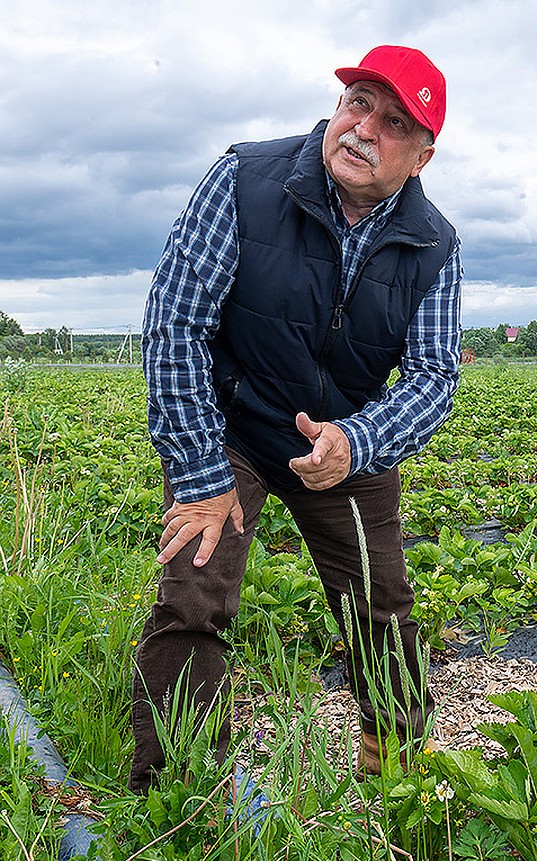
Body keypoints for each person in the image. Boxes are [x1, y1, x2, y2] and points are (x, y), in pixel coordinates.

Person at [131, 45, 461, 793]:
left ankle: (397, 781)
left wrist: (358, 440)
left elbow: (436, 375)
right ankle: (176, 796)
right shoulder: (245, 179)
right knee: (194, 588)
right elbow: (176, 321)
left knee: (380, 606)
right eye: (358, 103)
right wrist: (200, 473)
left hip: (341, 441)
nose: (363, 129)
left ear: (421, 155)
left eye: (393, 122)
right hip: (233, 427)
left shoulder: (435, 245)